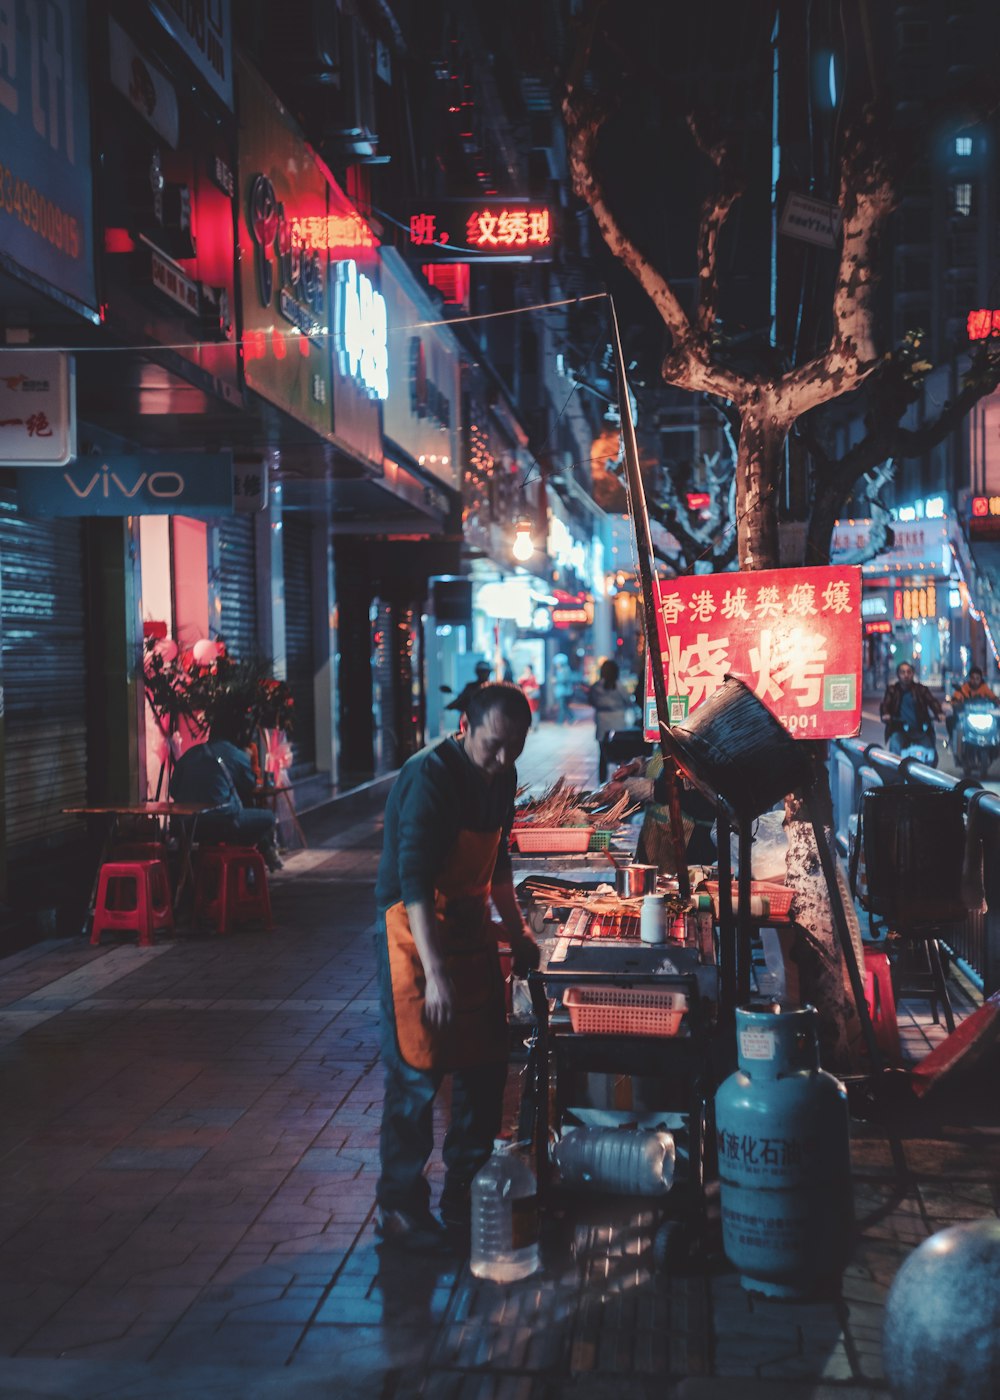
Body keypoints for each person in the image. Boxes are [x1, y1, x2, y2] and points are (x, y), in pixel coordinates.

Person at [374, 682, 540, 1252]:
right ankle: (398, 1207)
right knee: (418, 1076)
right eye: (494, 745)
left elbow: (498, 864)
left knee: (485, 1064)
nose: (502, 760)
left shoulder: (502, 776)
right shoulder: (431, 775)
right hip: (413, 929)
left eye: (514, 748)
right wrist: (436, 972)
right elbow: (414, 879)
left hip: (468, 925)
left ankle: (463, 1194)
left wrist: (517, 933)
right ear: (465, 727)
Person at [170, 720, 282, 871]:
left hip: (188, 825)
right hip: (222, 822)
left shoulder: (190, 754)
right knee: (268, 817)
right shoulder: (236, 754)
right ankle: (243, 864)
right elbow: (250, 785)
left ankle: (242, 862)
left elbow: (173, 790)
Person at [607, 752, 717, 873]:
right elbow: (660, 763)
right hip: (655, 829)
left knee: (675, 881)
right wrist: (637, 767)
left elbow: (663, 790)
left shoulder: (691, 749)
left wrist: (625, 786)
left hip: (683, 834)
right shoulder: (670, 743)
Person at [880, 660, 943, 756]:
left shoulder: (921, 689)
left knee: (931, 754)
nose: (906, 675)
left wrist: (939, 712)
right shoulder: (892, 690)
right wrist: (885, 714)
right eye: (903, 672)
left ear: (913, 674)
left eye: (909, 672)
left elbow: (932, 701)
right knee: (894, 750)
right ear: (898, 675)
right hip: (900, 730)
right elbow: (885, 704)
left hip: (920, 730)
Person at [588, 659, 635, 780]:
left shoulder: (596, 686)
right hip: (618, 725)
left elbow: (591, 701)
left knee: (603, 757)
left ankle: (602, 783)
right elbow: (629, 702)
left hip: (602, 724)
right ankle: (620, 782)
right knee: (621, 757)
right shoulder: (619, 686)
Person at [947, 666, 997, 743]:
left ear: (980, 679)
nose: (975, 681)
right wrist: (956, 701)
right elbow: (956, 697)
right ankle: (952, 741)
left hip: (983, 716)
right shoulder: (964, 688)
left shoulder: (984, 688)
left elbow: (993, 697)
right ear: (970, 678)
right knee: (950, 720)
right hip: (967, 716)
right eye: (973, 678)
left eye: (977, 678)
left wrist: (995, 701)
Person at [551, 653, 575, 725]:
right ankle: (570, 718)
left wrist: (556, 680)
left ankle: (561, 721)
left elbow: (565, 679)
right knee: (564, 706)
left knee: (562, 707)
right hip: (560, 692)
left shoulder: (566, 669)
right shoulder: (559, 670)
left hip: (564, 692)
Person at [517, 662, 541, 729]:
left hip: (532, 696)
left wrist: (531, 689)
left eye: (527, 669)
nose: (526, 670)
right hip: (525, 696)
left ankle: (534, 726)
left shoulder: (533, 677)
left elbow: (537, 687)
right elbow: (519, 683)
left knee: (533, 711)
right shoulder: (523, 677)